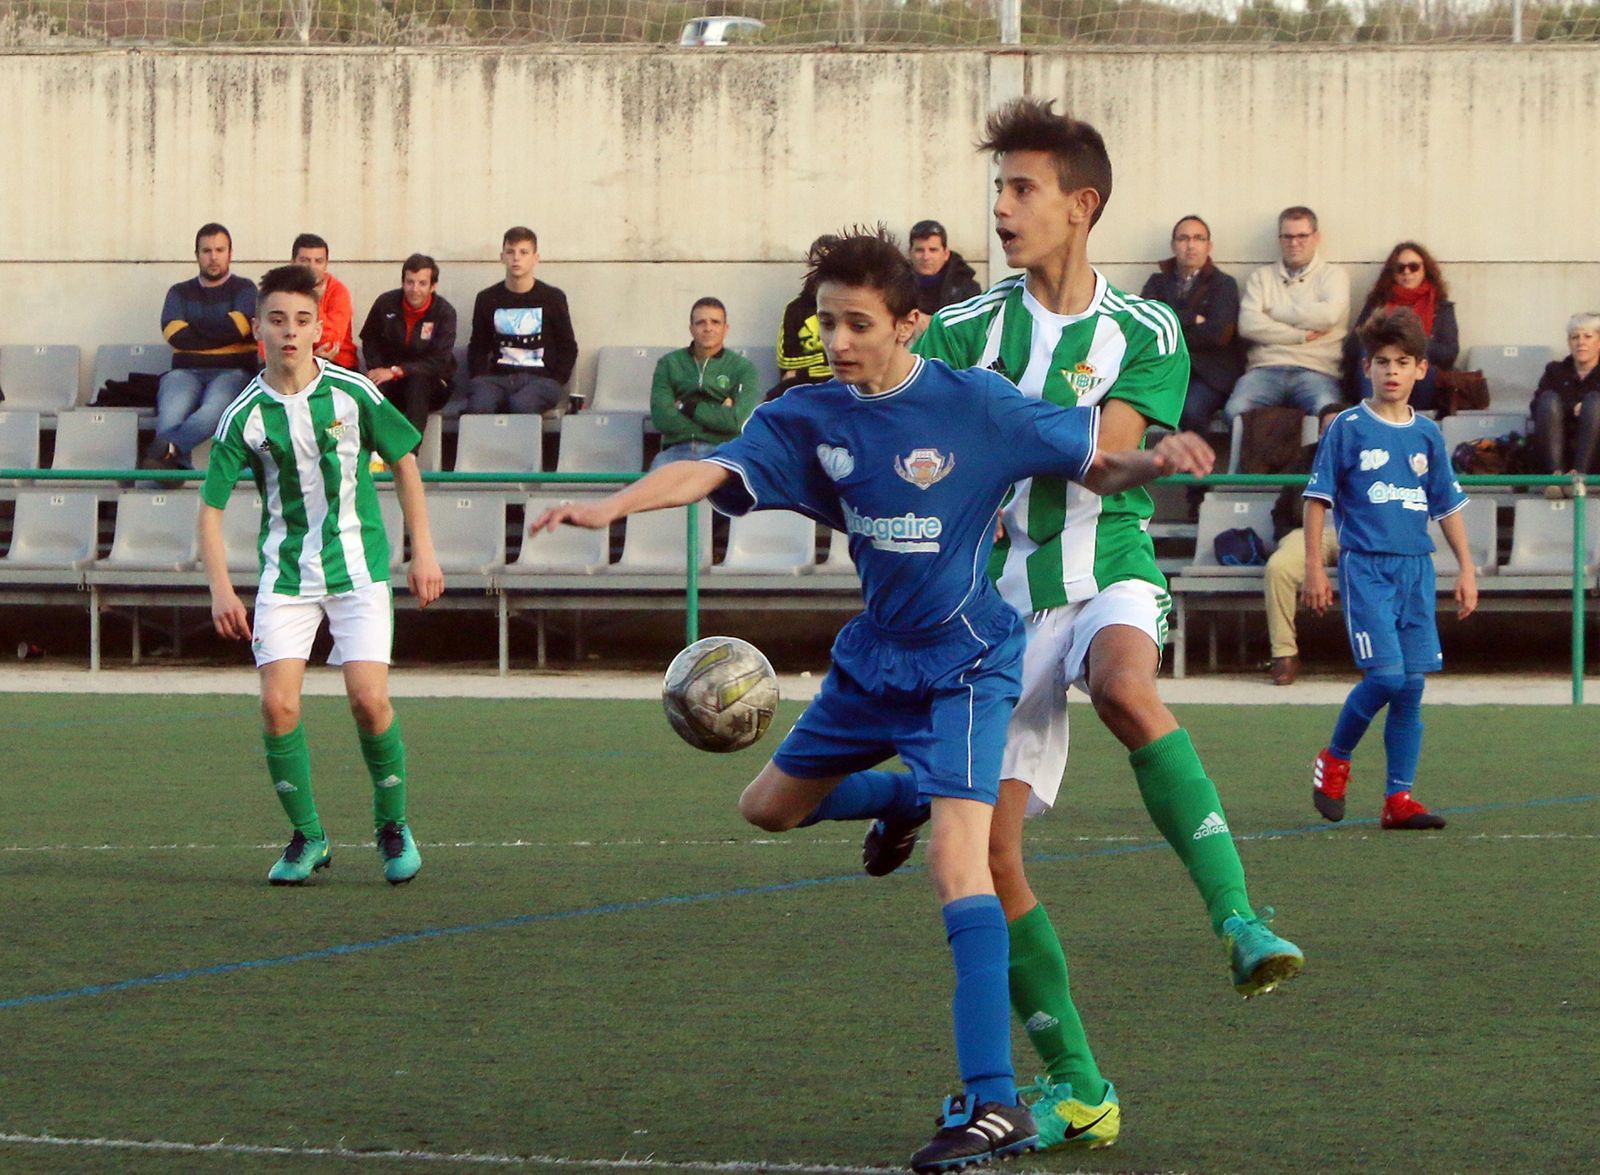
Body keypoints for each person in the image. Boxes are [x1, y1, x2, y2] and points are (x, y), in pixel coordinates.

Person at [528, 229, 1215, 1172]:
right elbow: (713, 469)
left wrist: (1157, 461)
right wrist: (618, 505)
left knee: (958, 864)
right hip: (873, 662)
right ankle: (906, 793)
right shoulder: (810, 415)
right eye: (826, 323)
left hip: (970, 663)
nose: (840, 341)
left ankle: (997, 1101)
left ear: (910, 324)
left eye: (859, 324)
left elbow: (1093, 458)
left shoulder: (971, 401)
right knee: (766, 808)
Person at [912, 99, 1305, 1150]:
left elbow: (1103, 448)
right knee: (991, 856)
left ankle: (1237, 918)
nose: (1000, 208)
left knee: (1129, 682)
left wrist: (1136, 458)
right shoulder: (958, 331)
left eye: (1021, 189)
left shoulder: (1146, 329)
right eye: (997, 188)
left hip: (1107, 562)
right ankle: (1080, 1086)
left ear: (1081, 204)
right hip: (999, 606)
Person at [198, 264, 445, 886]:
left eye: (301, 321)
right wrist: (221, 587)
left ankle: (392, 825)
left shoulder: (353, 392)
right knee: (278, 707)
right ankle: (308, 838)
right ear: (259, 328)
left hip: (359, 570)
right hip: (285, 576)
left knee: (369, 701)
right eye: (277, 320)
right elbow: (211, 507)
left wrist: (423, 552)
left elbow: (405, 461)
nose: (289, 332)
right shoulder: (245, 415)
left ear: (318, 329)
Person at [1303, 309, 1476, 831]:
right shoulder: (1349, 428)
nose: (1392, 371)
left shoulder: (1427, 434)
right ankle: (1334, 759)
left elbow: (1446, 506)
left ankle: (1398, 799)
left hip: (1416, 571)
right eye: (1382, 362)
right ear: (1366, 367)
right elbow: (1317, 500)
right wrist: (1315, 567)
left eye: (1403, 362)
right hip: (1367, 569)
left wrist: (1466, 568)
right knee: (1387, 675)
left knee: (1412, 686)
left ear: (1421, 369)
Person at [142, 223, 258, 470]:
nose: (213, 257)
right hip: (184, 372)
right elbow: (174, 334)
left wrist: (195, 328)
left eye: (219, 250)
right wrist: (222, 329)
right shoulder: (179, 292)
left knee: (213, 411)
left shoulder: (246, 289)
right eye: (206, 251)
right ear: (196, 255)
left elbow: (239, 327)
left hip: (233, 372)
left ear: (230, 253)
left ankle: (170, 451)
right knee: (170, 415)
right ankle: (174, 469)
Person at [1227, 206, 1349, 427]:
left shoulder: (1334, 276)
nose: (1294, 243)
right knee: (1236, 411)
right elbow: (1248, 325)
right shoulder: (1261, 278)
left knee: (1330, 414)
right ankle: (1250, 463)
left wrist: (1274, 312)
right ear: (1279, 239)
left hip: (1317, 371)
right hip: (1265, 369)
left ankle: (1318, 463)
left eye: (1302, 235)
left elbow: (1329, 316)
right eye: (1288, 236)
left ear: (1316, 237)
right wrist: (1299, 336)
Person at [451, 226, 580, 417]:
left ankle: (525, 448)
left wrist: (556, 379)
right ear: (502, 256)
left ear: (536, 258)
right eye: (510, 252)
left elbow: (568, 346)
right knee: (480, 405)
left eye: (524, 252)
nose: (516, 258)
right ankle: (483, 448)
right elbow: (478, 346)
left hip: (540, 380)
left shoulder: (552, 297)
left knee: (521, 406)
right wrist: (479, 377)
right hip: (497, 379)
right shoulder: (487, 299)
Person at [1140, 215, 1243, 435]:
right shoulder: (1157, 282)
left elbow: (1218, 334)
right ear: (1173, 245)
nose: (1191, 245)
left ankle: (1193, 469)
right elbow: (1147, 329)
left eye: (1198, 238)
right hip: (1163, 370)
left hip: (1207, 375)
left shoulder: (1224, 284)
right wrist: (1191, 319)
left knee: (1190, 412)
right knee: (1127, 404)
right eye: (1183, 238)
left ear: (1209, 246)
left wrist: (1170, 329)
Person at [1341, 241, 1459, 412]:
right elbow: (1354, 344)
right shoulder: (1378, 303)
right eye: (1400, 268)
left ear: (1425, 270)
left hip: (1419, 378)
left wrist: (1409, 342)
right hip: (1381, 373)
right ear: (1392, 272)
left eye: (1413, 267)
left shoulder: (1441, 307)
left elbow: (1449, 353)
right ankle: (1375, 414)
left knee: (1420, 364)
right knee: (1369, 354)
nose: (1407, 272)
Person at [648, 297, 761, 469]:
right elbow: (662, 418)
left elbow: (737, 421)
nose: (708, 328)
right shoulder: (669, 363)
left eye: (715, 322)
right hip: (675, 452)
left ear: (725, 328)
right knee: (653, 489)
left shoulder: (743, 368)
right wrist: (719, 416)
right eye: (701, 323)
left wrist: (685, 407)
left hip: (722, 452)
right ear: (691, 329)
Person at [359, 253, 458, 440]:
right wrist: (377, 367)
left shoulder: (444, 312)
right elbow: (370, 339)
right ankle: (373, 453)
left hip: (432, 384)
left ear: (433, 286)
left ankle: (410, 454)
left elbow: (438, 361)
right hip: (390, 379)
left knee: (417, 383)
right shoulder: (385, 303)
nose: (414, 289)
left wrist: (398, 371)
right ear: (403, 282)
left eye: (422, 283)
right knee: (370, 390)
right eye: (409, 282)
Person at [1530, 311, 1600, 497]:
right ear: (1569, 342)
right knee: (1549, 399)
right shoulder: (1555, 371)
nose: (1581, 342)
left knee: (1595, 403)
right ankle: (1556, 478)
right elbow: (1536, 407)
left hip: (1595, 455)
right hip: (1559, 449)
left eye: (1588, 336)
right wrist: (1571, 407)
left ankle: (1579, 477)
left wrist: (1588, 406)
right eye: (1574, 337)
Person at [769, 241, 832, 398]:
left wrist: (803, 371)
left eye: (827, 264)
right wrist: (825, 361)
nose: (820, 270)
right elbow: (785, 361)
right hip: (801, 387)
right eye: (816, 263)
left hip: (842, 386)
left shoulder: (847, 307)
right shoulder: (794, 309)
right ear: (808, 266)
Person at [290, 233, 359, 368]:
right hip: (294, 362)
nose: (312, 267)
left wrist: (313, 301)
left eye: (319, 261)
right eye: (305, 260)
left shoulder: (338, 291)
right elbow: (267, 340)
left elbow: (329, 342)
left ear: (326, 264)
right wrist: (307, 357)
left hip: (337, 362)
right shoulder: (281, 290)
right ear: (293, 262)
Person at [909, 218, 982, 317]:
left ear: (946, 254)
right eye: (919, 250)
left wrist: (934, 324)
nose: (926, 257)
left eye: (933, 250)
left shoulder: (966, 289)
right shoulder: (897, 286)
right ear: (910, 253)